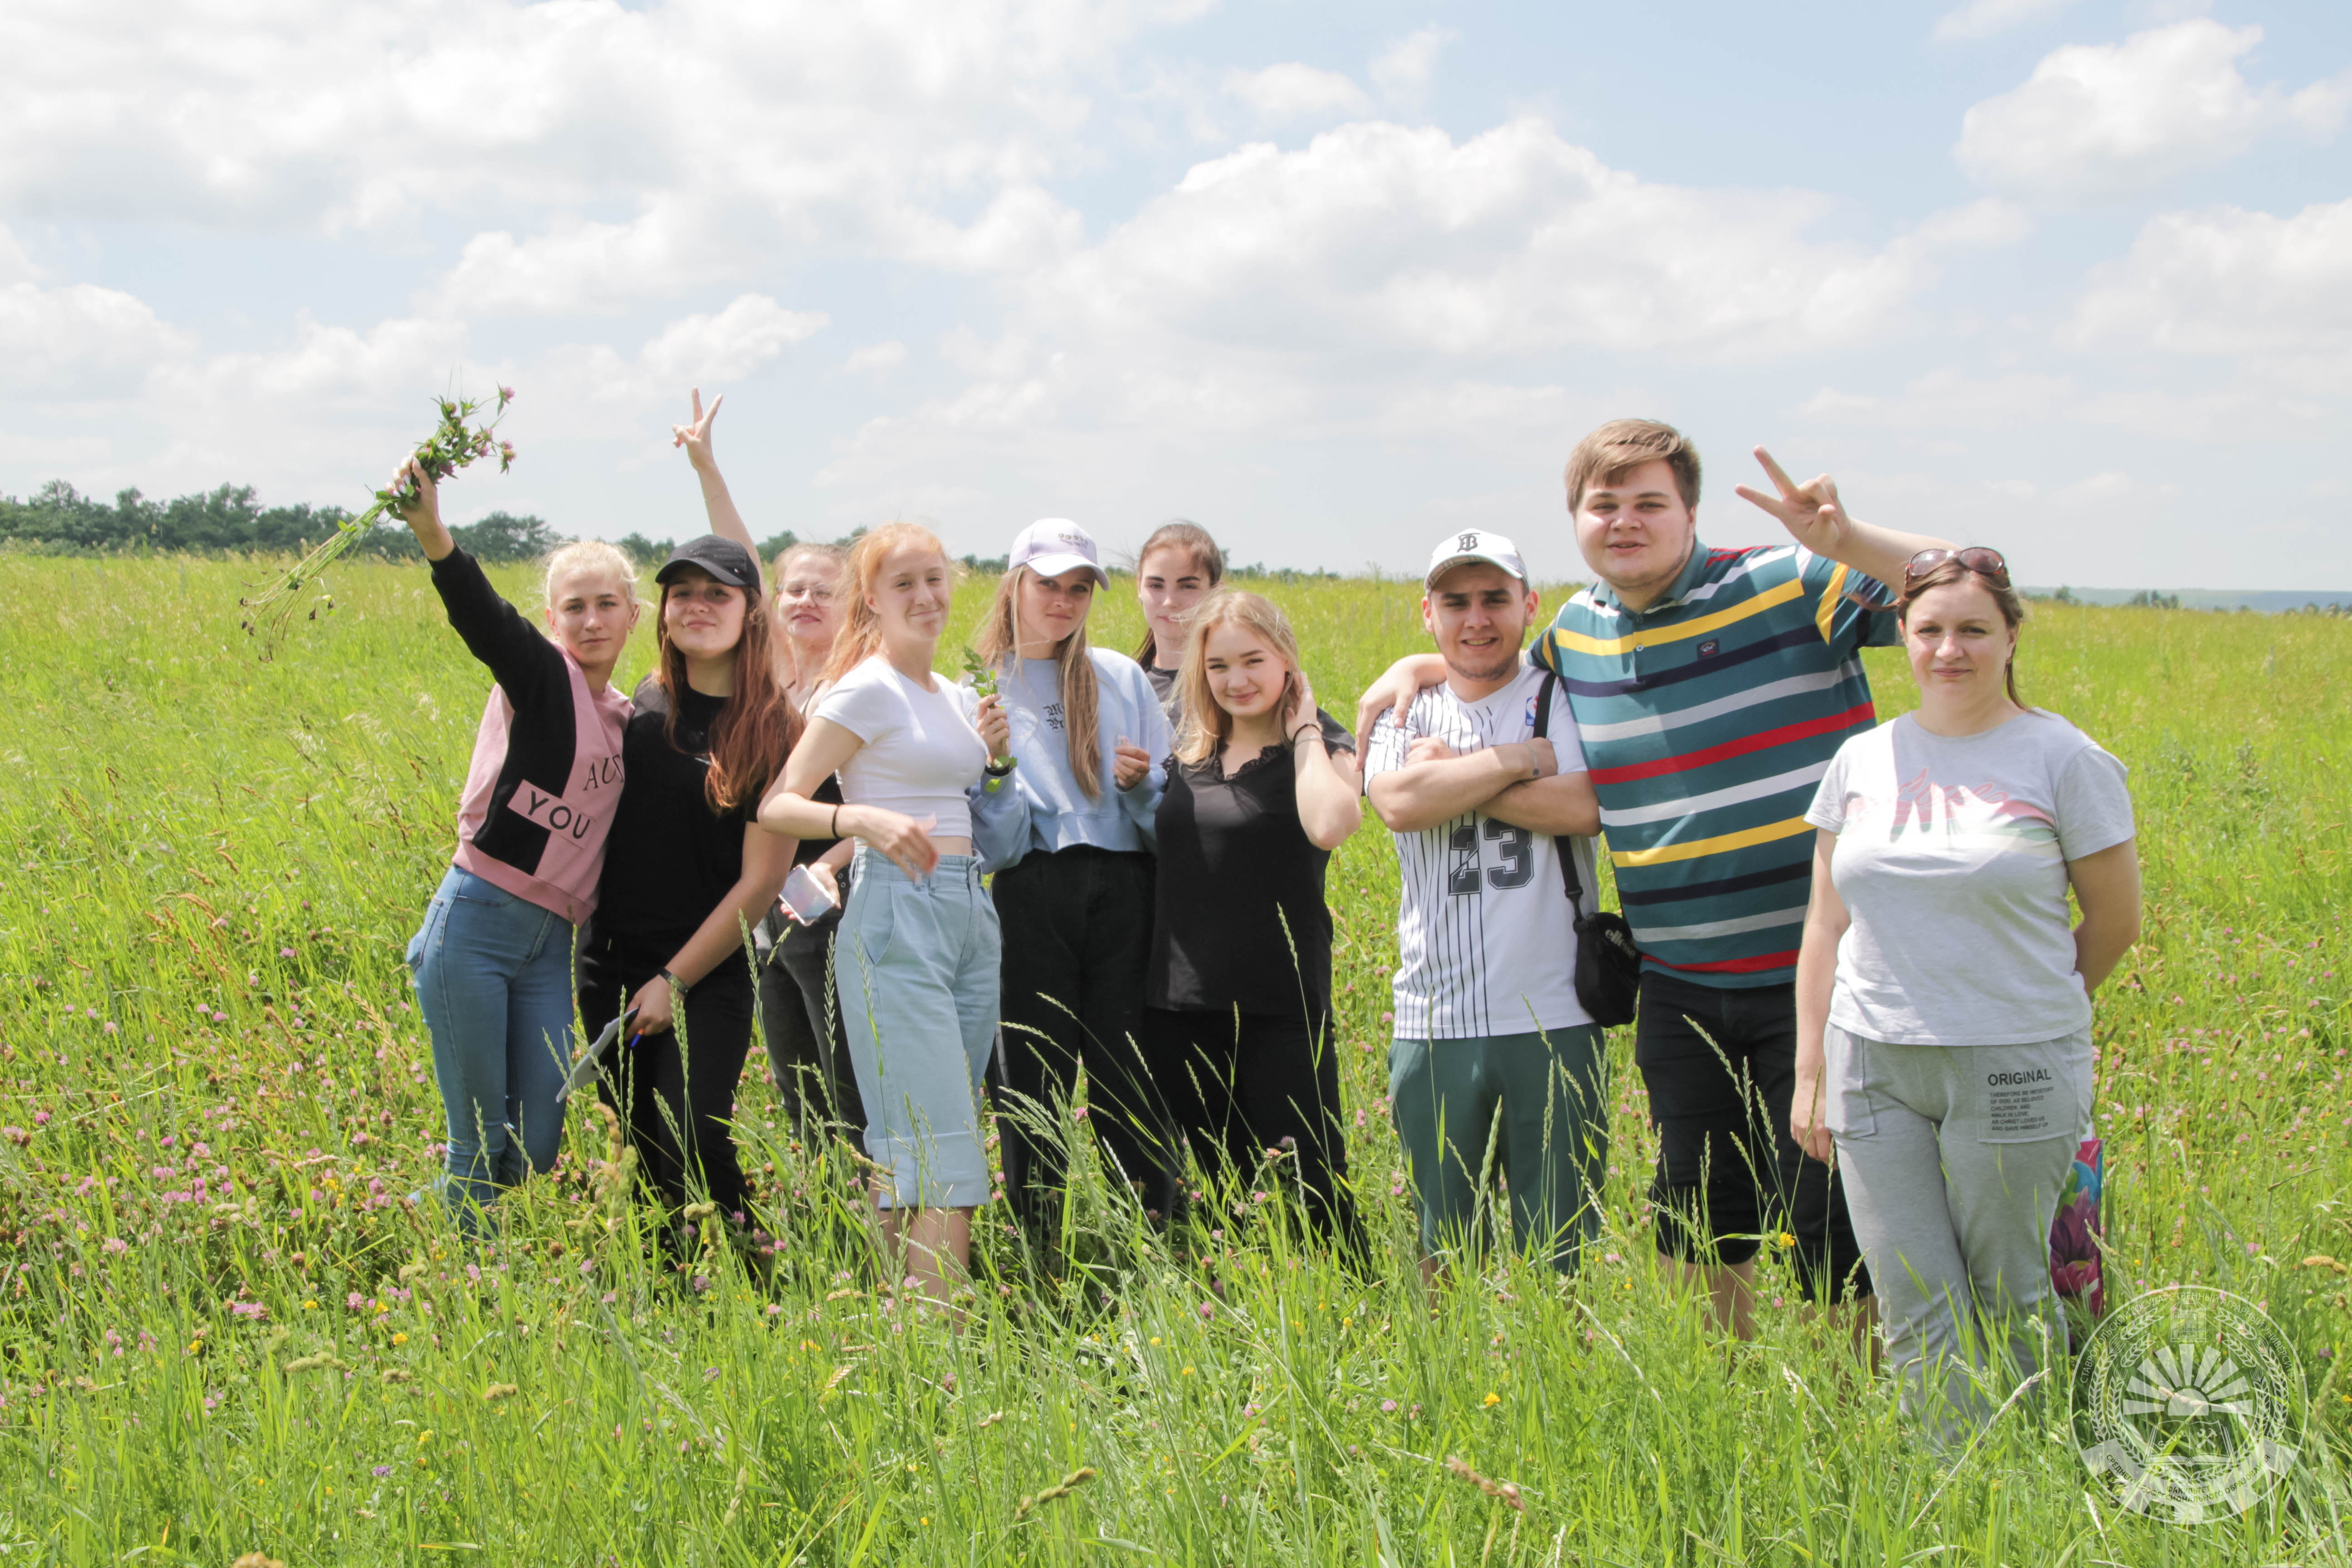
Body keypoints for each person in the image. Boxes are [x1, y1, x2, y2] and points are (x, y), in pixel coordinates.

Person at [1359, 419, 1956, 1342]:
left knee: (1832, 1214)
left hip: (1820, 973)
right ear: (1577, 520)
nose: (1625, 522)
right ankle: (1729, 1406)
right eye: (1605, 505)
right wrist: (1423, 662)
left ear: (1689, 512)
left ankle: (1852, 1430)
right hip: (1677, 980)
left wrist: (1846, 541)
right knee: (1700, 1216)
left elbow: (1961, 586)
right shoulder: (1576, 635)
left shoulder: (1785, 582)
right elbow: (1494, 660)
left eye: (1649, 503)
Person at [1792, 548, 2139, 1441]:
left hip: (2012, 1064)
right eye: (1931, 630)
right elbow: (1826, 927)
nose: (1951, 649)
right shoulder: (1864, 759)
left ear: (2012, 637)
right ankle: (1952, 1492)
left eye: (1974, 630)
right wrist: (1812, 1071)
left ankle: (2034, 1485)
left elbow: (2113, 921)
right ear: (1902, 639)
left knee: (2013, 1290)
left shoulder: (2065, 759)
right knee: (1914, 1299)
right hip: (1872, 1066)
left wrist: (2023, 1005)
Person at [756, 523, 1013, 1310]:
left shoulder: (957, 697)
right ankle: (942, 1351)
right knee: (943, 1148)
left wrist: (994, 762)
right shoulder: (864, 687)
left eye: (934, 579)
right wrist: (858, 821)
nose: (925, 597)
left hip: (967, 912)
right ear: (869, 598)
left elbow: (975, 808)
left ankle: (903, 1328)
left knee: (922, 1137)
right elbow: (780, 805)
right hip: (897, 911)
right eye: (903, 584)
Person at [393, 459, 639, 1230]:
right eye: (575, 606)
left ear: (635, 615)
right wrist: (434, 533)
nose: (591, 620)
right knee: (479, 1143)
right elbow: (482, 617)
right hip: (473, 924)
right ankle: (461, 1278)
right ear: (551, 616)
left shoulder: (632, 719)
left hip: (547, 948)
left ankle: (423, 1220)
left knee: (535, 1145)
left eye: (607, 605)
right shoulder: (541, 676)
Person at [1363, 530, 1607, 1284]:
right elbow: (1400, 803)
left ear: (1527, 606)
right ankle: (1450, 1387)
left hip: (1555, 1010)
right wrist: (1511, 762)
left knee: (1558, 1245)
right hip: (1434, 1016)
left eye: (1495, 599)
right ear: (1427, 614)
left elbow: (1583, 806)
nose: (1476, 619)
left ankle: (1555, 1387)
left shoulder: (1558, 696)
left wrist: (1458, 780)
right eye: (1456, 602)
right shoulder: (1404, 706)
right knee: (1443, 1243)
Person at [576, 531, 797, 1252]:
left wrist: (673, 980)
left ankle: (764, 1280)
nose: (698, 606)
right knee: (637, 1151)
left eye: (718, 593)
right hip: (607, 965)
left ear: (750, 612)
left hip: (707, 972)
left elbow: (762, 880)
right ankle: (668, 1304)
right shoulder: (638, 707)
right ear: (663, 611)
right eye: (683, 594)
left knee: (694, 1135)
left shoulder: (776, 730)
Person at [968, 519, 1175, 1256]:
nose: (1061, 601)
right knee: (1029, 1077)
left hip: (1124, 888)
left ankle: (1154, 1241)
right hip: (1029, 891)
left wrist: (1144, 787)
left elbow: (1164, 821)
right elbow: (993, 847)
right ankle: (1039, 1252)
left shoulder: (1120, 676)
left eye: (1077, 588)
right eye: (1047, 584)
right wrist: (995, 771)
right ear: (1014, 584)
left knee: (1129, 1072)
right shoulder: (979, 687)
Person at [1143, 589, 1365, 1259]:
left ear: (1286, 661)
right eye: (1218, 667)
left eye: (1253, 661)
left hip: (1280, 1005)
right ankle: (1240, 1333)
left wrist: (1301, 732)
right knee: (1220, 1193)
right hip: (1180, 1006)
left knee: (1313, 1191)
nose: (1236, 680)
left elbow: (1329, 826)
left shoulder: (1324, 745)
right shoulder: (1185, 755)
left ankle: (1347, 1324)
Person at [667, 388, 862, 1139]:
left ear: (853, 606)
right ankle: (822, 1218)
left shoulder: (863, 684)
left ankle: (868, 1204)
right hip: (765, 896)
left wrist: (832, 865)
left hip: (834, 899)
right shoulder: (772, 674)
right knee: (792, 1073)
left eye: (827, 591)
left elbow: (896, 803)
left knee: (843, 1070)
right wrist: (706, 469)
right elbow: (739, 558)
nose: (807, 601)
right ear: (769, 604)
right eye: (795, 590)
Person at [1132, 520, 1225, 724]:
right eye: (1156, 585)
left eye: (1188, 586)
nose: (1170, 602)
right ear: (1139, 586)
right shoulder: (1125, 687)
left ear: (1216, 591)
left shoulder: (1234, 682)